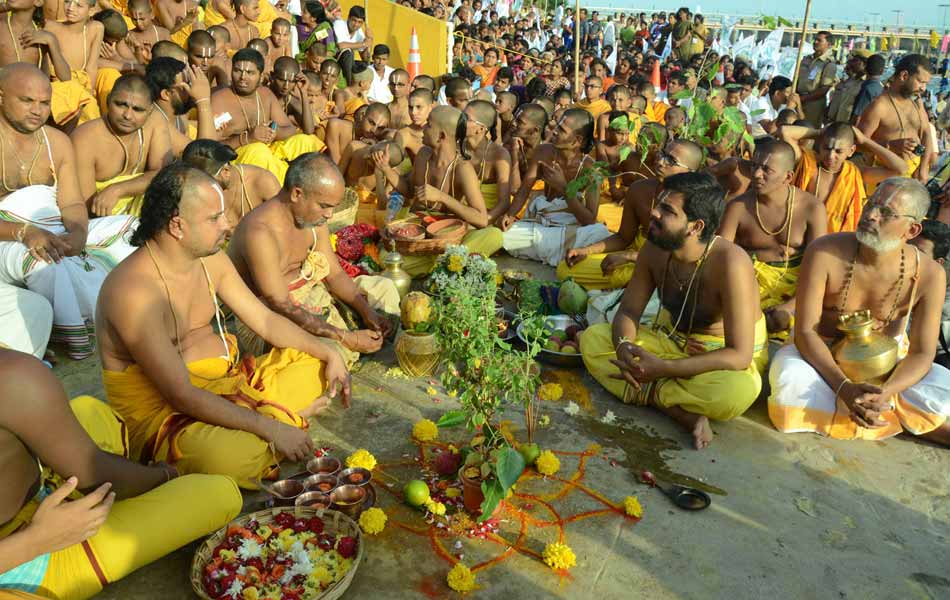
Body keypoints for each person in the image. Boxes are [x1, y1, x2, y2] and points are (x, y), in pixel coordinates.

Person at [96, 162, 351, 485]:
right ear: (177, 226)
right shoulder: (133, 293)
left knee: (315, 366)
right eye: (215, 218)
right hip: (168, 417)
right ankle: (281, 422)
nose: (228, 225)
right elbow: (180, 395)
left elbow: (266, 322)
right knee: (233, 458)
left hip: (228, 384)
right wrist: (273, 428)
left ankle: (275, 424)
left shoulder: (210, 259)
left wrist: (329, 353)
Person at [0, 349, 241, 600]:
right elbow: (98, 475)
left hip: (43, 502)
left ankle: (109, 477)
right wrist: (163, 475)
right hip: (30, 560)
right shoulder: (12, 374)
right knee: (220, 493)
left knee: (89, 410)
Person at [580, 172, 767, 450]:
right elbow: (629, 311)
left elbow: (738, 355)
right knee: (593, 338)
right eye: (659, 203)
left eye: (667, 210)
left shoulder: (731, 263)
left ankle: (650, 391)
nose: (653, 212)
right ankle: (678, 408)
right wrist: (624, 348)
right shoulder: (654, 248)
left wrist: (663, 368)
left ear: (696, 226)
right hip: (669, 339)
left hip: (716, 355)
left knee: (737, 392)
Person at [768, 178, 950, 446]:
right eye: (870, 205)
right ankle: (901, 421)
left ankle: (872, 409)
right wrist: (844, 388)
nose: (871, 216)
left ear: (912, 230)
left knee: (943, 385)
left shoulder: (930, 274)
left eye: (886, 213)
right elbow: (806, 332)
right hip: (823, 356)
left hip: (888, 366)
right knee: (790, 379)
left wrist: (885, 392)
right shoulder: (824, 251)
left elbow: (922, 352)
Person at [0, 64, 136, 360]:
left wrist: (78, 232)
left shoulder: (57, 142)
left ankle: (132, 314)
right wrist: (25, 233)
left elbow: (72, 204)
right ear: (1, 96)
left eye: (44, 103)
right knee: (44, 262)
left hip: (55, 229)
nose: (37, 110)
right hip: (8, 236)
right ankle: (74, 336)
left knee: (133, 229)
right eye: (26, 100)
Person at [228, 153, 398, 365]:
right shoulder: (259, 232)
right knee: (327, 356)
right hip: (272, 318)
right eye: (325, 206)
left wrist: (367, 312)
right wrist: (346, 337)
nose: (329, 215)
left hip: (314, 294)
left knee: (385, 290)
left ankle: (357, 339)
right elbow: (281, 305)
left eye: (332, 207)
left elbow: (334, 274)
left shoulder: (314, 218)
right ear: (297, 194)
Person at [559, 139, 703, 290]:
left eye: (671, 161)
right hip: (636, 256)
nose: (660, 162)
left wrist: (631, 257)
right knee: (565, 269)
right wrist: (586, 251)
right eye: (662, 154)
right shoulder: (639, 189)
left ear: (691, 172)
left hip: (669, 267)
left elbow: (687, 258)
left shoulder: (696, 203)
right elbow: (623, 238)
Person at [718, 139, 827, 339]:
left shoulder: (812, 208)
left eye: (767, 170)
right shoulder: (738, 207)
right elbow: (719, 259)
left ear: (788, 177)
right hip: (749, 288)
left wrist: (790, 306)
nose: (757, 175)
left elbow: (819, 270)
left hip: (797, 292)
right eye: (754, 167)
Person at [379, 105, 503, 277]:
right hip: (421, 235)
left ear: (441, 136)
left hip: (449, 237)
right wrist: (385, 169)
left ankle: (442, 264)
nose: (423, 127)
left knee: (494, 235)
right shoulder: (423, 155)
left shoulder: (463, 168)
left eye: (429, 124)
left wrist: (442, 197)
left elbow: (482, 220)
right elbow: (408, 191)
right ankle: (447, 265)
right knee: (385, 256)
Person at [501, 108, 611, 267]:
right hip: (543, 222)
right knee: (503, 231)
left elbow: (589, 220)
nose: (554, 132)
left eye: (561, 130)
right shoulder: (543, 152)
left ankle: (546, 248)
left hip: (570, 225)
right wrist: (510, 215)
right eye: (556, 126)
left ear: (577, 140)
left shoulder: (592, 170)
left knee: (599, 234)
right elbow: (525, 189)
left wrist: (564, 187)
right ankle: (555, 251)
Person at [211, 48, 322, 183]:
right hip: (237, 157)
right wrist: (247, 138)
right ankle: (288, 188)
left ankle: (310, 183)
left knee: (304, 140)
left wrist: (274, 132)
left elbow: (290, 129)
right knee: (258, 150)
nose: (242, 77)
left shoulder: (265, 94)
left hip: (268, 150)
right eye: (237, 71)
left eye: (250, 72)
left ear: (261, 75)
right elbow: (209, 148)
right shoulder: (219, 100)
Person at [72, 74, 173, 217]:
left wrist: (118, 190)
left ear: (150, 111)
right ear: (108, 101)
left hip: (145, 217)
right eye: (120, 104)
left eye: (138, 109)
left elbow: (163, 175)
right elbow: (86, 207)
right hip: (99, 222)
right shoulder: (85, 138)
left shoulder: (156, 122)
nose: (128, 115)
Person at [781, 122, 909, 233]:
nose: (831, 156)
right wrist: (820, 132)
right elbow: (785, 132)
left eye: (838, 151)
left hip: (833, 245)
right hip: (797, 234)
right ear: (820, 144)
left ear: (851, 151)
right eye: (827, 148)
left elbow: (901, 169)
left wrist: (865, 141)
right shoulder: (806, 162)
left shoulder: (856, 173)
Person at [856, 54, 934, 182]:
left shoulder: (916, 102)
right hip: (885, 178)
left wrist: (923, 167)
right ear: (904, 76)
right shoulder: (879, 106)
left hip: (912, 177)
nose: (923, 88)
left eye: (926, 83)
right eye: (920, 82)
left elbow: (926, 132)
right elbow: (858, 143)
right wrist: (890, 145)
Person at [182, 139, 280, 229]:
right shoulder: (195, 190)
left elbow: (282, 228)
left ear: (225, 171)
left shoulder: (264, 182)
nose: (204, 189)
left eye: (209, 183)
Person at [43, 0, 104, 129]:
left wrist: (89, 92)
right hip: (59, 86)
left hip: (83, 85)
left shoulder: (96, 28)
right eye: (67, 1)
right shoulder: (52, 27)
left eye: (79, 5)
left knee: (90, 107)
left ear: (91, 10)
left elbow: (91, 66)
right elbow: (46, 66)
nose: (70, 8)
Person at [145, 58, 216, 157]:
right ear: (166, 94)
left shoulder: (178, 116)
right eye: (185, 86)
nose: (192, 89)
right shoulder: (156, 121)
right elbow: (205, 157)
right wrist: (203, 101)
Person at [461, 100, 511, 225]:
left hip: (487, 219)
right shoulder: (456, 147)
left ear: (481, 128)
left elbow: (504, 202)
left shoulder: (499, 154)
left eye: (466, 118)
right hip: (458, 216)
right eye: (461, 115)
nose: (459, 121)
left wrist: (484, 221)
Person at [795, 31, 837, 128]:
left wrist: (802, 99)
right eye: (815, 40)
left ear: (828, 44)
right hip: (798, 99)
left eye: (819, 40)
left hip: (813, 104)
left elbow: (823, 90)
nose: (815, 42)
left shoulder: (828, 64)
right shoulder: (806, 59)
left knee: (808, 131)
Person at [267, 57, 315, 136]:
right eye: (282, 80)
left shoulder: (291, 101)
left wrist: (304, 92)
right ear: (272, 76)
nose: (286, 86)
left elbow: (309, 130)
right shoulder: (262, 94)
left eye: (292, 81)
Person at [333, 6, 372, 83]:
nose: (356, 24)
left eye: (360, 22)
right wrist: (363, 44)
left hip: (347, 63)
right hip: (334, 57)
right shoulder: (339, 24)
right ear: (348, 18)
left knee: (366, 66)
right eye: (354, 20)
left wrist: (370, 40)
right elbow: (341, 46)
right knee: (348, 53)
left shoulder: (359, 32)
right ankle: (349, 83)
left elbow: (365, 59)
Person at [826, 52, 866, 125]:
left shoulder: (865, 84)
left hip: (845, 125)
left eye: (855, 61)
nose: (852, 64)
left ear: (863, 64)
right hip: (832, 122)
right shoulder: (849, 80)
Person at [851, 53, 885, 123]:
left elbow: (857, 117)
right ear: (882, 71)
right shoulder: (881, 88)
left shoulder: (867, 89)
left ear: (865, 68)